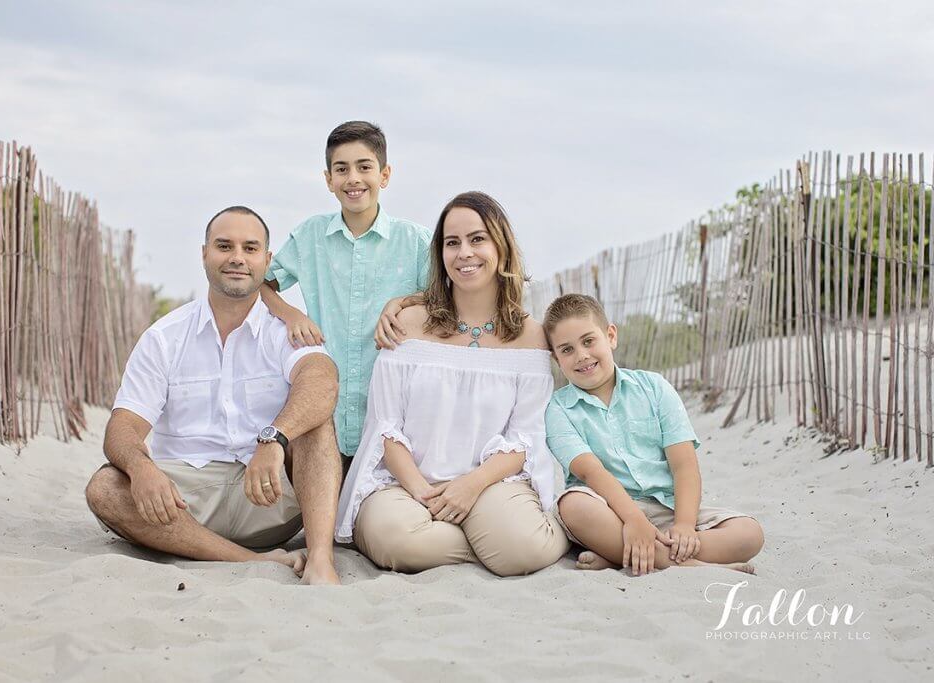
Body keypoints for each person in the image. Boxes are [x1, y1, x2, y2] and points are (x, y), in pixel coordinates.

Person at [84, 206, 343, 585]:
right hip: (185, 507)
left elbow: (322, 380)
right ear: (204, 253)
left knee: (317, 425)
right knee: (105, 488)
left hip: (270, 500)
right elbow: (122, 427)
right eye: (224, 246)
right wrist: (141, 468)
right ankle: (243, 559)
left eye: (250, 248)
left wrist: (273, 438)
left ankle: (321, 560)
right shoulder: (165, 337)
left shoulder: (284, 330)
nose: (237, 257)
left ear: (266, 260)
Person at [335, 191, 569, 576]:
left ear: (502, 248)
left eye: (478, 239)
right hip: (404, 482)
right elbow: (385, 426)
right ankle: (486, 542)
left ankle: (501, 536)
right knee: (399, 540)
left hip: (492, 482)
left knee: (523, 550)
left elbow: (526, 436)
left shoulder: (530, 337)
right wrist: (420, 490)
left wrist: (470, 486)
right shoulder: (406, 326)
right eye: (452, 243)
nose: (464, 253)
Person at [542, 293, 765, 576]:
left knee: (749, 533)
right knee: (573, 505)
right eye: (567, 349)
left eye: (588, 341)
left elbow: (683, 464)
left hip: (667, 510)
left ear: (610, 336)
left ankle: (624, 555)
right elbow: (591, 473)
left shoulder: (654, 387)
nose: (582, 355)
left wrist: (684, 525)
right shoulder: (558, 409)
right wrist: (634, 521)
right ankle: (693, 567)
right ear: (555, 358)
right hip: (609, 513)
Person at [259, 121, 431, 464]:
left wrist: (401, 303)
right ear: (328, 180)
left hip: (393, 411)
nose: (353, 178)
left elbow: (442, 300)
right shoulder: (310, 236)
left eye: (364, 167)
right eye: (342, 169)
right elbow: (262, 283)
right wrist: (291, 314)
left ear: (384, 175)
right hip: (328, 411)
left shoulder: (415, 241)